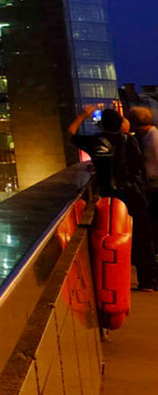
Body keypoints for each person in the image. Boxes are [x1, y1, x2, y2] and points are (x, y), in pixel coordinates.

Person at [71, 102, 158, 290]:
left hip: (111, 196)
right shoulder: (130, 140)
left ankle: (113, 280)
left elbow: (71, 134)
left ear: (102, 125)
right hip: (135, 193)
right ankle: (148, 280)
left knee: (111, 237)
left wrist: (82, 116)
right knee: (143, 236)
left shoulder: (96, 140)